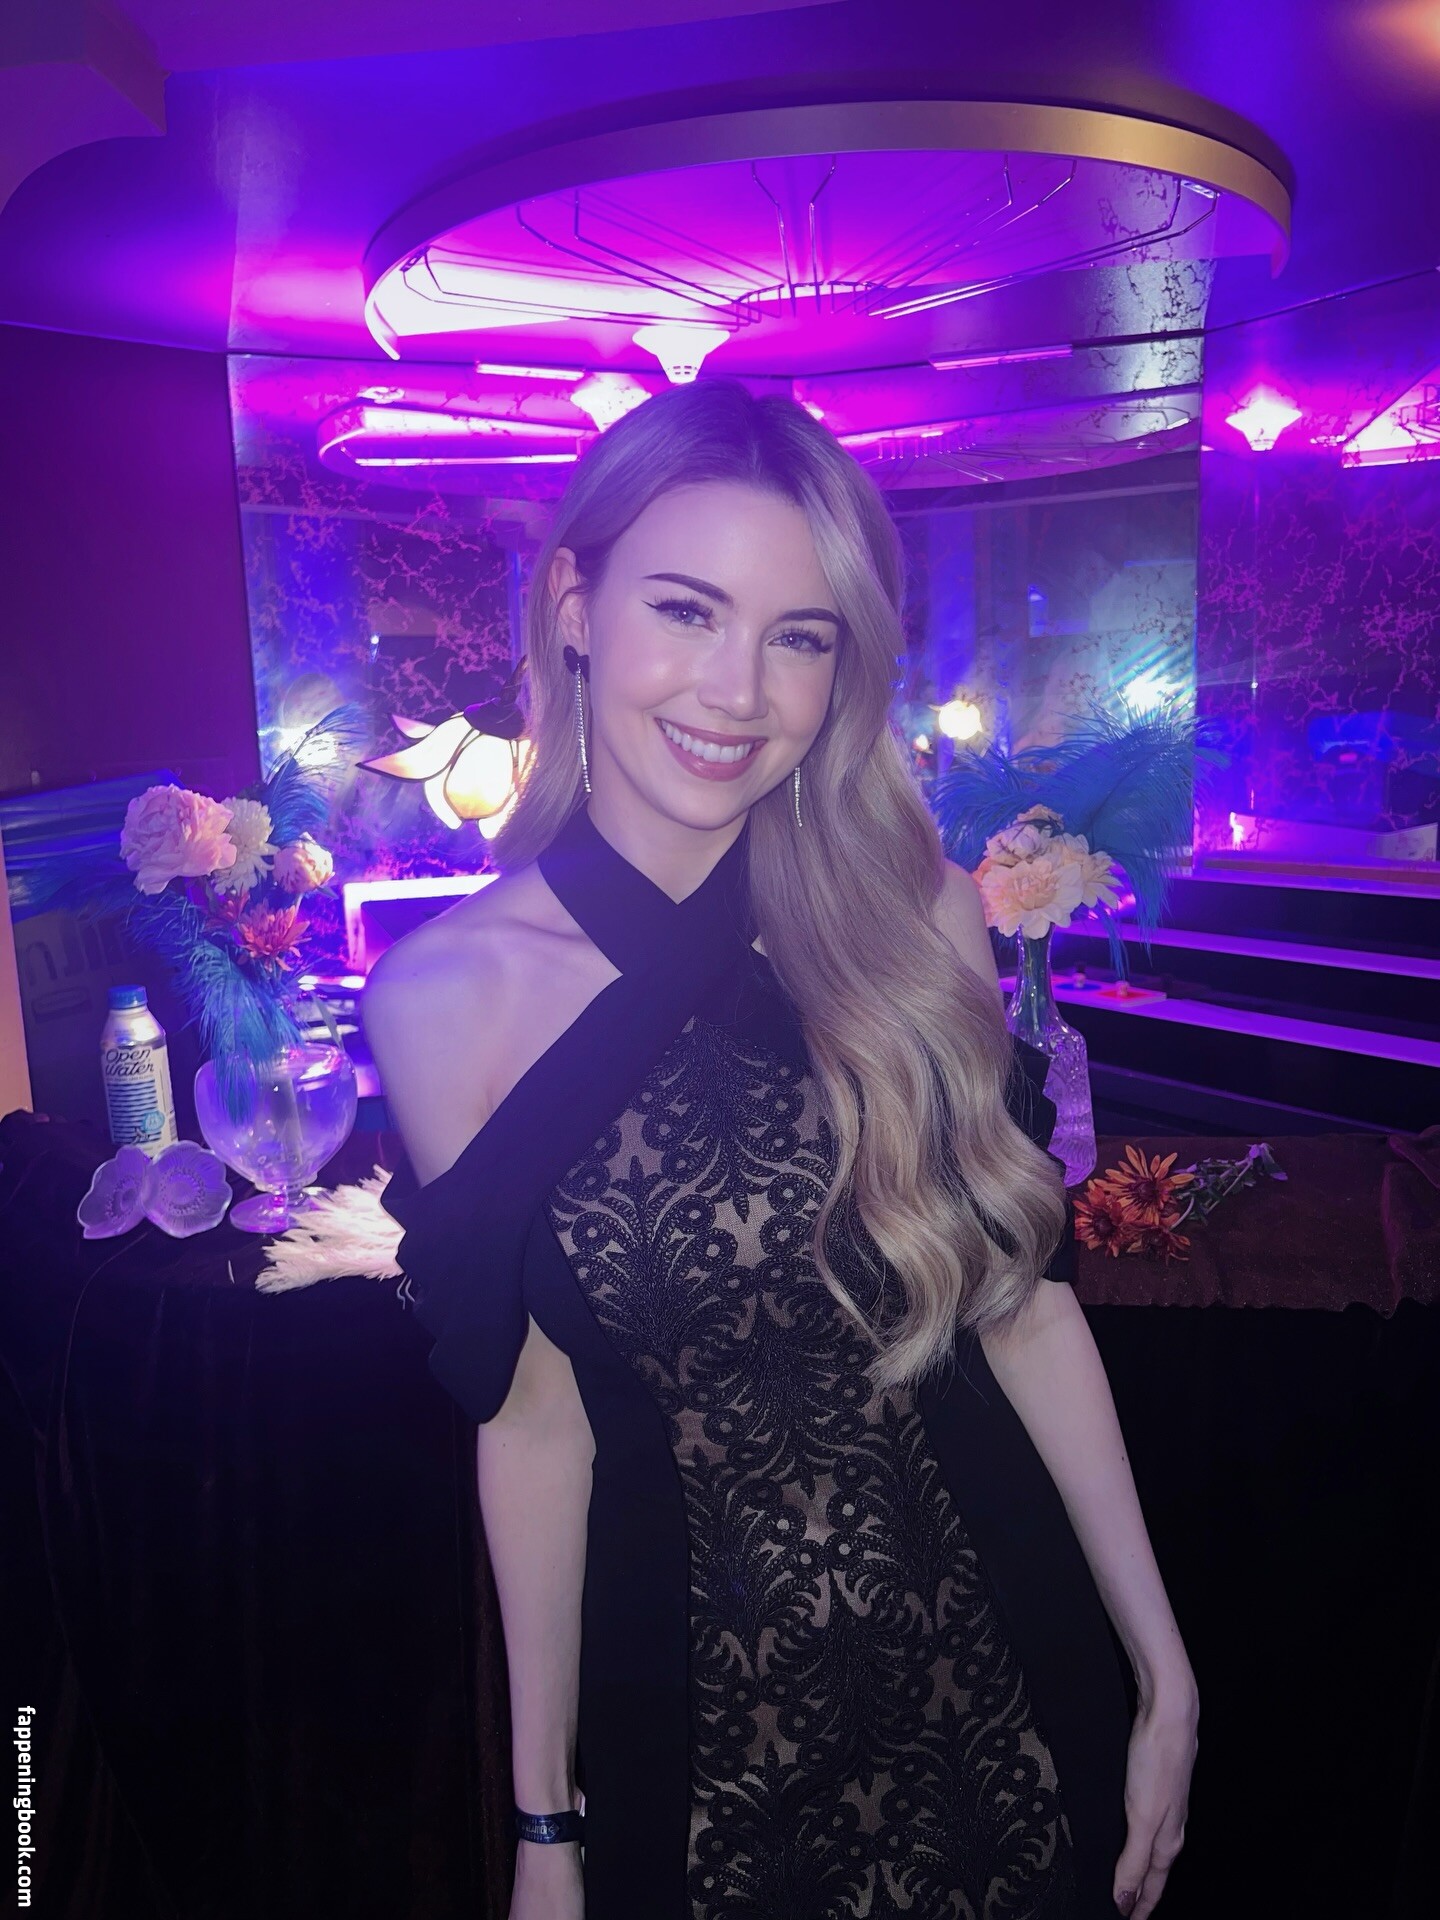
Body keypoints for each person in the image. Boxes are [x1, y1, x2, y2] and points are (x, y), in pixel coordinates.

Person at [363, 380, 1197, 1920]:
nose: (738, 690)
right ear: (575, 607)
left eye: (799, 636)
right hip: (698, 1744)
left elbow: (1021, 1308)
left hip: (1006, 1693)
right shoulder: (440, 1000)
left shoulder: (912, 914)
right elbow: (534, 1423)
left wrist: (1165, 1672)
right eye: (688, 610)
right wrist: (545, 1827)